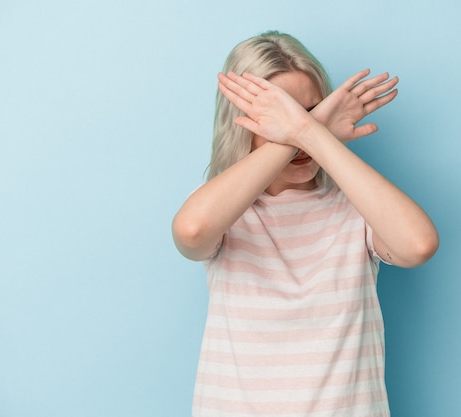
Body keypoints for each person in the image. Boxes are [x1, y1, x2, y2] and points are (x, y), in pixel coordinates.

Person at [172, 30, 439, 417]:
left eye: (312, 111)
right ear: (239, 122)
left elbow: (418, 245)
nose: (297, 127)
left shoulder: (358, 205)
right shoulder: (225, 208)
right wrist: (303, 133)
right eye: (276, 119)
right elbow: (191, 233)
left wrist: (307, 133)